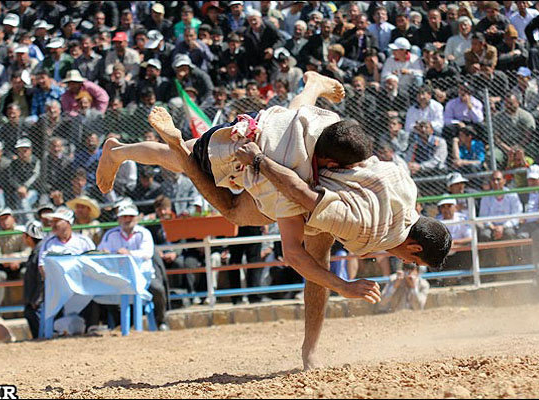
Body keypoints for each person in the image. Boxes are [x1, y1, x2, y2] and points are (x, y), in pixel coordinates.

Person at [96, 71, 452, 369]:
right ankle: (122, 151)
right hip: (259, 159)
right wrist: (344, 287)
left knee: (297, 124)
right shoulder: (363, 223)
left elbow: (303, 135)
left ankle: (312, 84)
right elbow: (298, 220)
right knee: (223, 200)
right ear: (415, 246)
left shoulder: (405, 186)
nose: (407, 263)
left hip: (306, 135)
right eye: (412, 259)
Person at [98, 204, 169, 331]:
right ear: (119, 219)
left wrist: (129, 253)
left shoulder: (144, 233)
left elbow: (147, 253)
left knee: (158, 289)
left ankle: (161, 321)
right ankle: (118, 323)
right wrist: (107, 253)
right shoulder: (110, 234)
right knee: (101, 292)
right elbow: (101, 251)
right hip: (118, 276)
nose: (127, 219)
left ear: (136, 218)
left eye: (130, 216)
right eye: (124, 216)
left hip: (143, 276)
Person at [20, 220, 44, 339]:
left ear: (28, 237)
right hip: (34, 300)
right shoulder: (37, 251)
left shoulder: (39, 253)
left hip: (36, 302)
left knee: (39, 331)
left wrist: (36, 300)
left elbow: (41, 278)